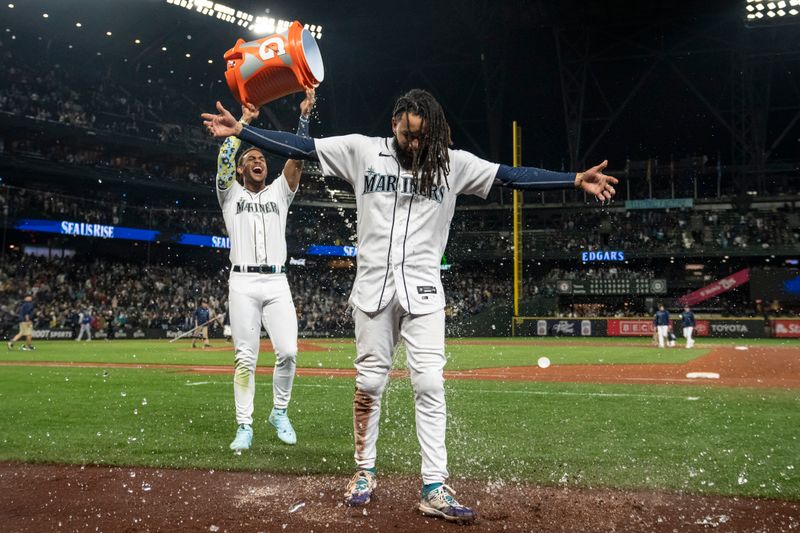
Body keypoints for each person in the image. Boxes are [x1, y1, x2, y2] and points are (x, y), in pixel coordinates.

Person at [202, 88, 618, 523]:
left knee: (430, 384)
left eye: (422, 136)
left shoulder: (452, 163)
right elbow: (302, 148)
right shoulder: (363, 151)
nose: (414, 143)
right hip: (372, 291)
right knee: (369, 386)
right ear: (394, 125)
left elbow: (510, 176)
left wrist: (573, 180)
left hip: (423, 293)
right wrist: (244, 131)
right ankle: (364, 472)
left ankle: (434, 486)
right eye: (407, 135)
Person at [219, 88, 316, 452]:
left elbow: (299, 155)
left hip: (277, 281)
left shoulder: (279, 192)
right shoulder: (230, 194)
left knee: (288, 351)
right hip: (242, 281)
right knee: (245, 358)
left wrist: (304, 116)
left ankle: (279, 412)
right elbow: (224, 161)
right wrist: (242, 124)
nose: (259, 160)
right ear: (242, 169)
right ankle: (244, 425)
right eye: (252, 157)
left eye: (262, 156)